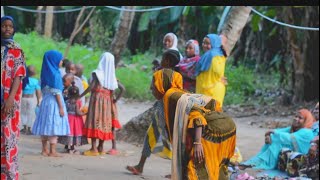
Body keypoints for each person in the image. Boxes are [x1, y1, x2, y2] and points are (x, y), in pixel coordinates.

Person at [154, 65, 236, 179]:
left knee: (197, 169)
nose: (151, 89)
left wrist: (197, 143)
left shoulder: (171, 96)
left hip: (213, 130)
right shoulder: (179, 93)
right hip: (225, 124)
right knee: (214, 166)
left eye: (154, 84)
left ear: (162, 83)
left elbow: (196, 114)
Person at [126, 49, 182, 175]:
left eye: (163, 59)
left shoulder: (158, 74)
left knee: (151, 136)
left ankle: (140, 166)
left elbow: (156, 94)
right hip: (174, 110)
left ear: (167, 61)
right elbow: (178, 94)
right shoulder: (178, 76)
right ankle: (176, 172)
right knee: (175, 140)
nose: (161, 61)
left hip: (162, 109)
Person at [79, 52, 124, 156]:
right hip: (107, 103)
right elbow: (122, 89)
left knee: (95, 122)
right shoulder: (112, 76)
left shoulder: (97, 74)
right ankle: (101, 147)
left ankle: (93, 149)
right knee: (104, 124)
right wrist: (115, 100)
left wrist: (80, 96)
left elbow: (91, 87)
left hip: (96, 102)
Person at [240, 109, 315, 170]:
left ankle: (262, 162)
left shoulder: (307, 132)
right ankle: (257, 161)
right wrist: (269, 135)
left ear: (306, 121)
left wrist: (273, 133)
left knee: (277, 140)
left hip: (302, 160)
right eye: (296, 116)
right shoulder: (294, 128)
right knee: (274, 138)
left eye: (300, 118)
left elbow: (288, 138)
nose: (296, 119)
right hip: (292, 156)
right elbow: (280, 131)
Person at [1, 15, 27, 180]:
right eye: (3, 26)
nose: (7, 29)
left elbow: (18, 75)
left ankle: (8, 174)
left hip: (10, 101)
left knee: (8, 136)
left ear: (14, 29)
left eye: (10, 26)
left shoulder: (17, 50)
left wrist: (10, 99)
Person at [32, 50, 70, 157]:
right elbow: (57, 93)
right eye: (60, 59)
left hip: (46, 102)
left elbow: (42, 88)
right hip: (54, 103)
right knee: (54, 126)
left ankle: (44, 150)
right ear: (54, 60)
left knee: (45, 125)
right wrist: (61, 108)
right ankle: (53, 151)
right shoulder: (56, 74)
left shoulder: (45, 73)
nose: (61, 61)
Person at [195, 34, 228, 109]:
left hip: (211, 90)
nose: (204, 45)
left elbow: (217, 71)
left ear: (214, 43)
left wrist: (219, 78)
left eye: (208, 43)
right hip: (209, 89)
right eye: (203, 43)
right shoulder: (218, 54)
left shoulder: (213, 55)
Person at [58, 82, 88, 154]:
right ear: (78, 94)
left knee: (68, 132)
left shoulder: (67, 101)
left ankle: (66, 146)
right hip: (75, 120)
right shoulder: (77, 102)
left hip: (68, 118)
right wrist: (85, 113)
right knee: (74, 132)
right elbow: (78, 112)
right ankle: (72, 148)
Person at [20, 65, 41, 135]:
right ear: (34, 73)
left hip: (23, 98)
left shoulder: (24, 80)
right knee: (30, 113)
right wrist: (38, 101)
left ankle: (24, 127)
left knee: (23, 112)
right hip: (31, 99)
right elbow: (38, 92)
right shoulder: (35, 81)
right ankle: (29, 129)